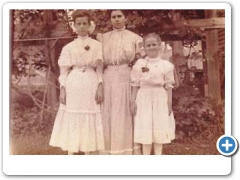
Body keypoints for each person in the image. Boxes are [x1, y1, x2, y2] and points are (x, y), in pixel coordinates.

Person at [49, 10, 105, 155]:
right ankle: (71, 152)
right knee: (73, 114)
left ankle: (88, 152)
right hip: (74, 83)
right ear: (74, 26)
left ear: (89, 25)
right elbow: (64, 71)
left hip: (91, 81)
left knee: (89, 113)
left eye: (84, 24)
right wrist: (63, 89)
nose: (81, 27)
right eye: (78, 24)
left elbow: (99, 69)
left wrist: (100, 86)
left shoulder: (97, 45)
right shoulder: (68, 47)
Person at [97, 10, 143, 155]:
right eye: (113, 17)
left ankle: (125, 150)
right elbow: (98, 61)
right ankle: (108, 150)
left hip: (126, 75)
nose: (116, 19)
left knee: (124, 111)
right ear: (110, 20)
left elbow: (142, 60)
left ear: (125, 18)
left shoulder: (135, 38)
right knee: (109, 111)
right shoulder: (103, 38)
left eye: (119, 16)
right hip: (108, 75)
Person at [130, 33, 175, 155]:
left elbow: (169, 85)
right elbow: (135, 85)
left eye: (154, 44)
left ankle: (158, 155)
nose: (151, 48)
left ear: (160, 46)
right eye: (148, 45)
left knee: (159, 123)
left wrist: (169, 102)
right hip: (143, 96)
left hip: (160, 96)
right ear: (144, 47)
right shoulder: (140, 64)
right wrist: (132, 101)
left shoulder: (166, 65)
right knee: (145, 123)